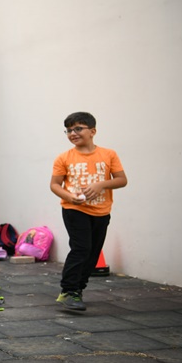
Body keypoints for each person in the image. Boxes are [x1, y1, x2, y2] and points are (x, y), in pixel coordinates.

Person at [50, 112, 127, 311]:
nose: (72, 133)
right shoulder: (64, 157)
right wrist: (69, 197)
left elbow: (121, 180)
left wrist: (101, 184)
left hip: (101, 211)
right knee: (81, 248)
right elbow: (55, 184)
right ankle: (68, 291)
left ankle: (78, 290)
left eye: (78, 128)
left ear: (92, 131)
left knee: (92, 253)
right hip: (74, 209)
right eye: (68, 130)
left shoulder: (109, 154)